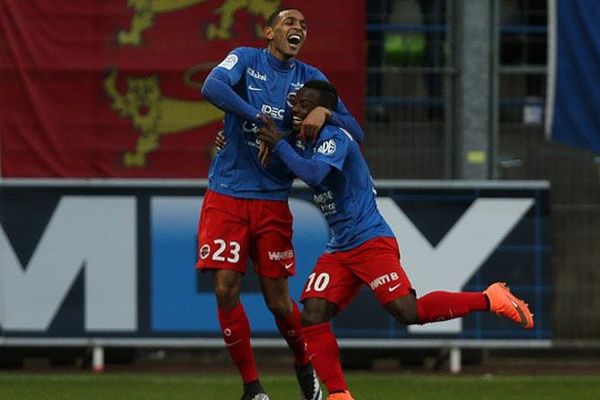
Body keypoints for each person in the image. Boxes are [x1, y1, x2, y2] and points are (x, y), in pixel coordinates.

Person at [258, 80, 534, 400]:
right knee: (312, 314)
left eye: (305, 104)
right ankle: (339, 394)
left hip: (370, 241)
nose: (296, 109)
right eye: (296, 103)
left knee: (407, 312)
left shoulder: (336, 137)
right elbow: (282, 161)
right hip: (340, 247)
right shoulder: (304, 139)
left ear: (323, 111)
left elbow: (316, 175)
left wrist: (281, 145)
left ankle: (491, 298)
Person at [197, 8, 364, 400]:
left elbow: (356, 130)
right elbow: (211, 86)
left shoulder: (312, 78)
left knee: (277, 300)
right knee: (225, 289)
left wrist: (327, 111)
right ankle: (252, 388)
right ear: (269, 30)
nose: (298, 28)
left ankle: (303, 363)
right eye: (290, 22)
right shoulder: (246, 58)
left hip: (273, 200)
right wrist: (255, 118)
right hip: (227, 193)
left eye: (304, 25)